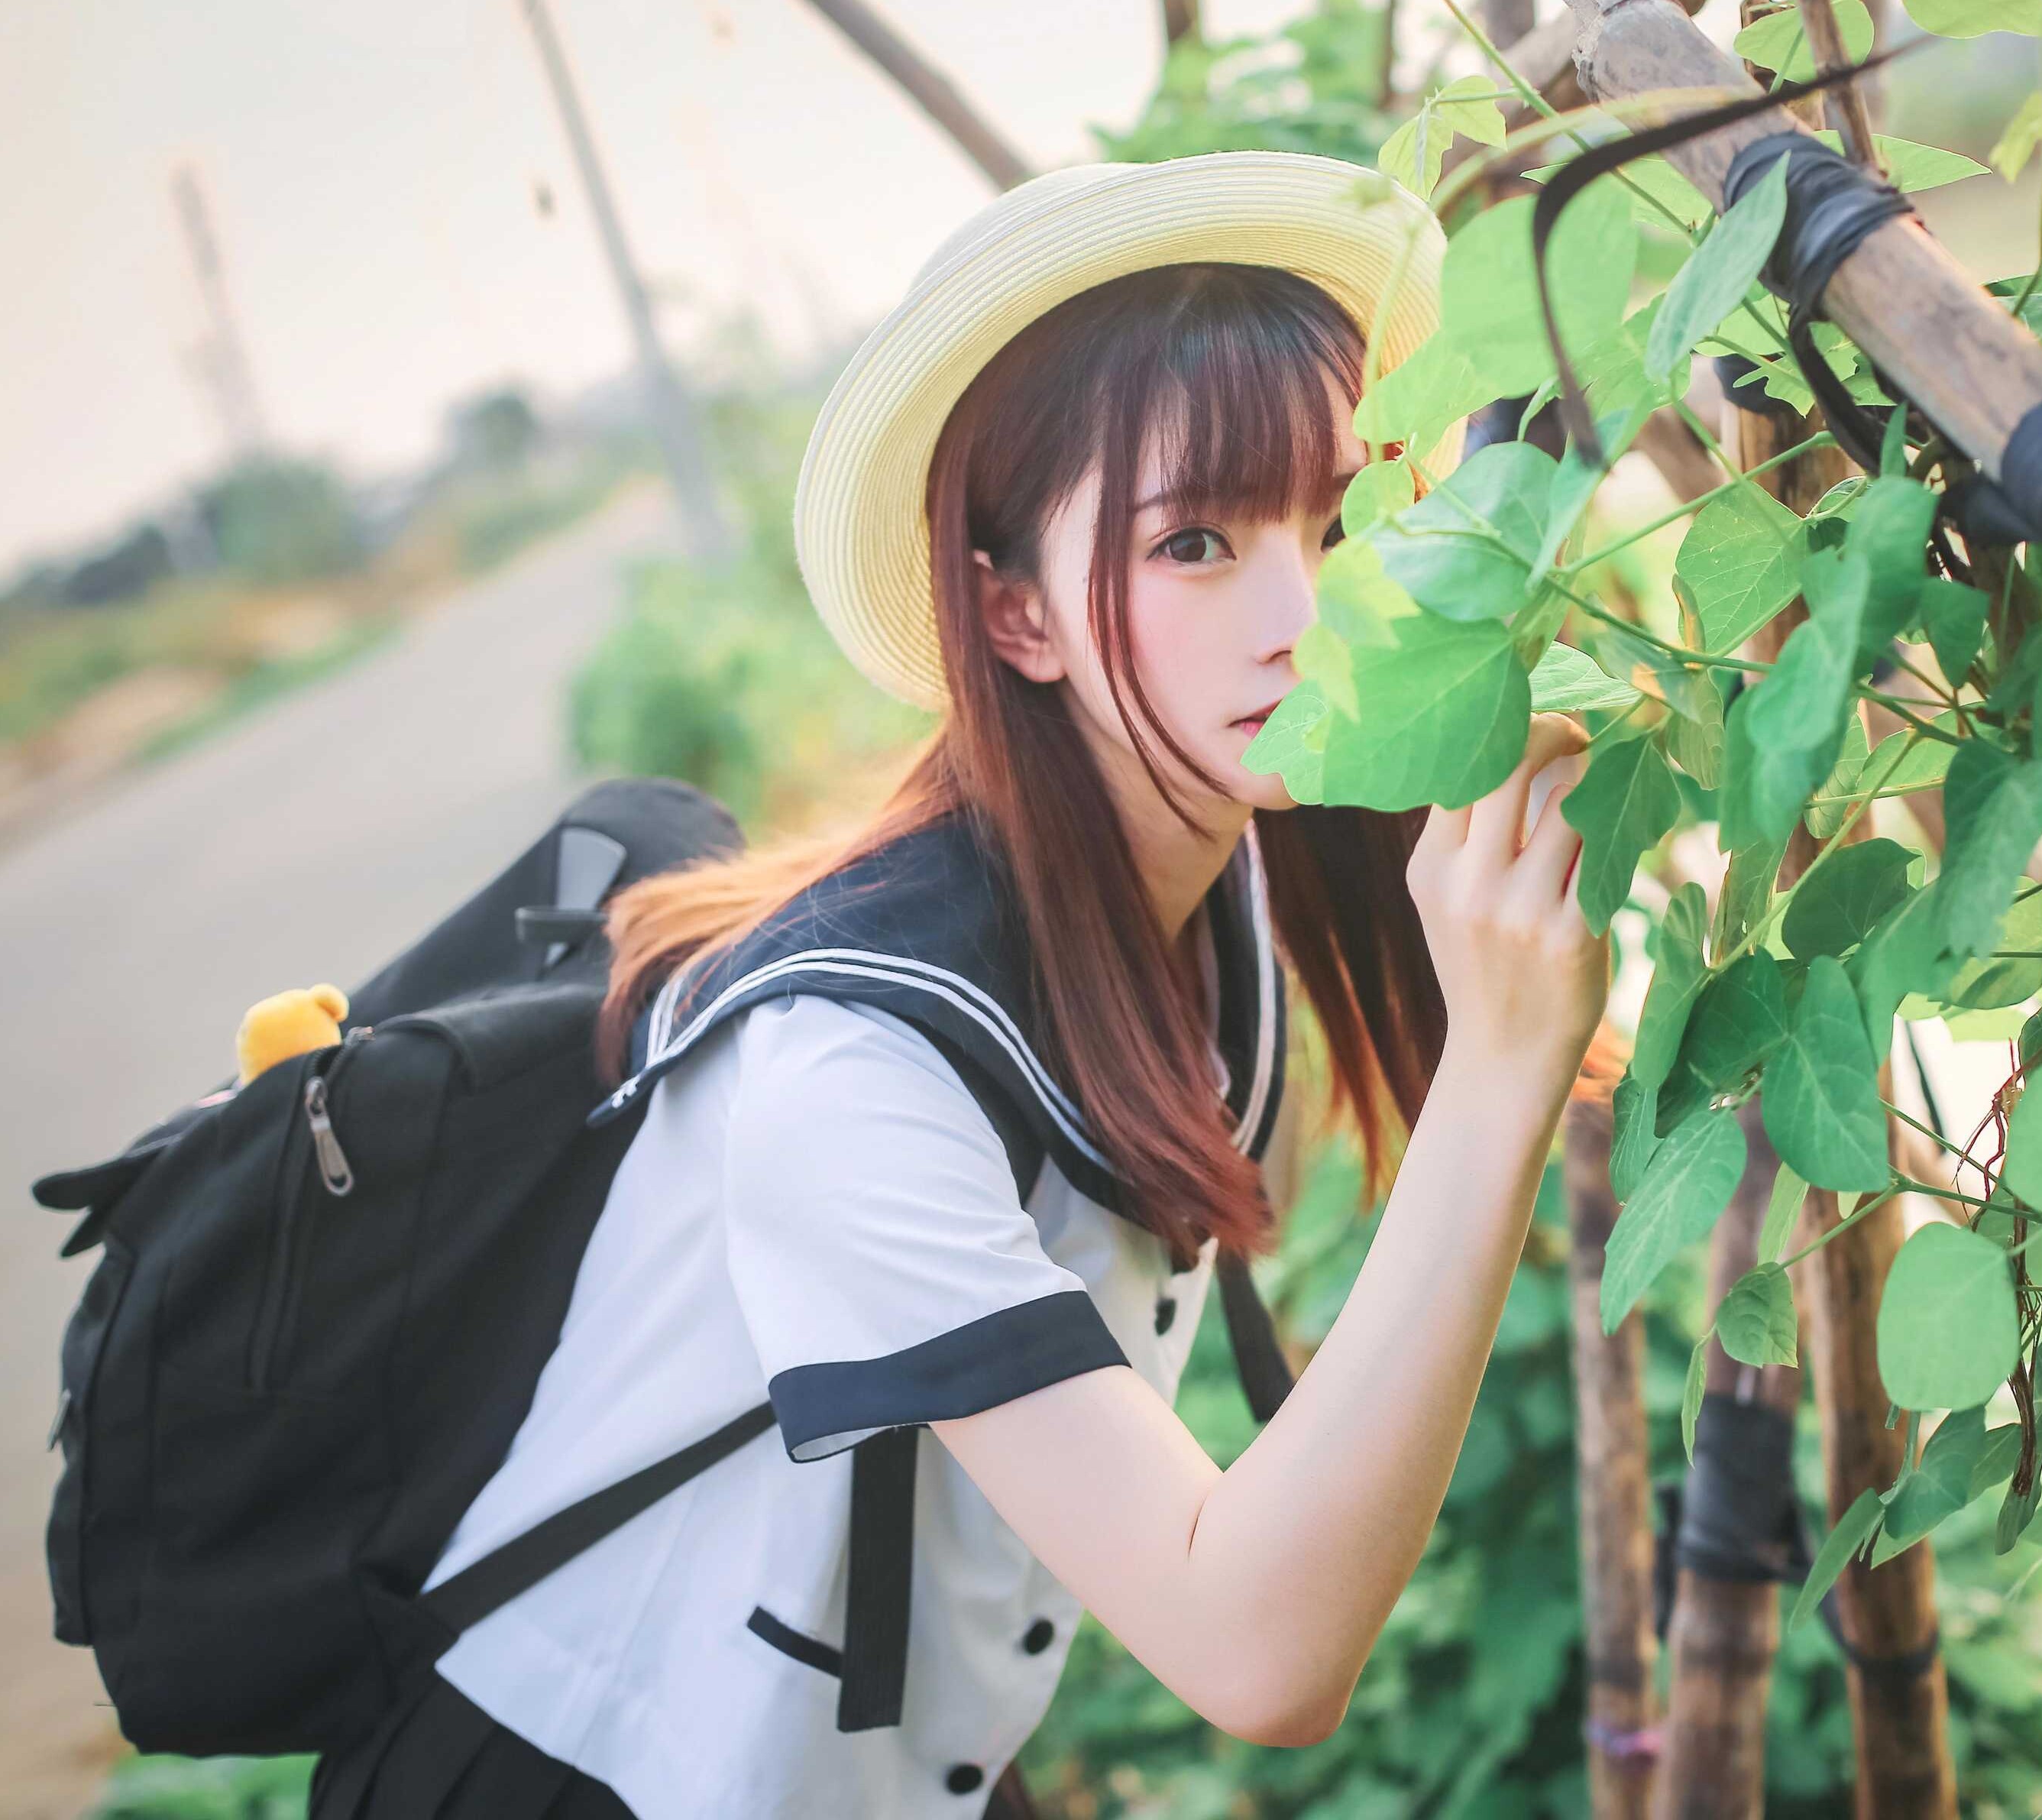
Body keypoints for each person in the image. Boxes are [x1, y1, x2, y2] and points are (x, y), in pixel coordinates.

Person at [308, 151, 1609, 1820]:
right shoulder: (843, 1078)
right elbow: (1254, 1652)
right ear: (1014, 613)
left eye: (1345, 518)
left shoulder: (1232, 893)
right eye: (1196, 542)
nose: (1307, 610)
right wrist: (1497, 1075)